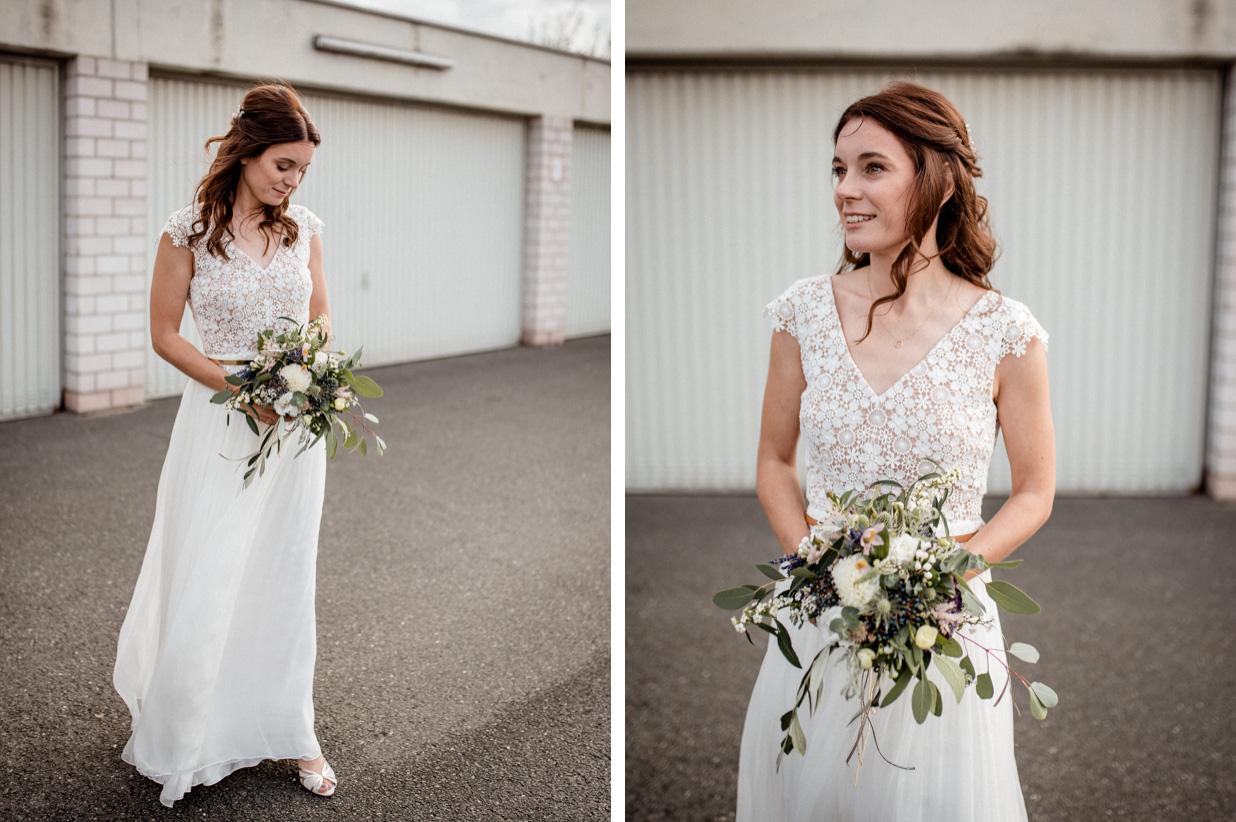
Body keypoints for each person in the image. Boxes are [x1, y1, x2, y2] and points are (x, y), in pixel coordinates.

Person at [736, 81, 1055, 821]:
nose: (845, 189)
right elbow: (775, 464)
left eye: (871, 168)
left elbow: (1035, 490)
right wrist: (819, 568)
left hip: (943, 621)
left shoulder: (1007, 332)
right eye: (838, 169)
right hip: (823, 611)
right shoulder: (802, 314)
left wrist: (946, 575)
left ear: (935, 180)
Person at [113, 82, 339, 806]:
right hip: (222, 412)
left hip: (296, 423)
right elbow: (165, 335)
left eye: (301, 169)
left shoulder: (303, 227)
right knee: (213, 566)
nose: (291, 180)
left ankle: (289, 728)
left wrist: (310, 368)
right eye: (282, 164)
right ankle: (191, 730)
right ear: (245, 152)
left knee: (283, 572)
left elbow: (323, 312)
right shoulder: (186, 232)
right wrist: (241, 390)